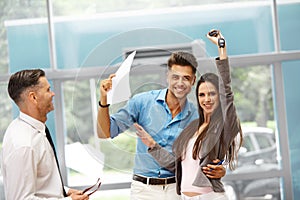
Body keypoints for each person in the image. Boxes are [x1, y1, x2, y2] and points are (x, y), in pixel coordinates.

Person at [97, 44, 226, 199]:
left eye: (186, 78)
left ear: (193, 81)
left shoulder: (197, 117)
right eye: (175, 77)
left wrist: (222, 169)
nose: (180, 83)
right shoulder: (142, 102)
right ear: (167, 77)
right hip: (143, 190)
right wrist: (104, 99)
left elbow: (210, 155)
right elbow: (105, 132)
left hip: (175, 189)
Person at [135, 30, 243, 200]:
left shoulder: (223, 126)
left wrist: (222, 48)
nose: (207, 99)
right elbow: (176, 166)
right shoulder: (193, 127)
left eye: (212, 94)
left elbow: (227, 91)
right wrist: (152, 145)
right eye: (202, 95)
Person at [1, 69, 89, 200]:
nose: (52, 94)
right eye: (48, 90)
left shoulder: (35, 130)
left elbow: (41, 183)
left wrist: (66, 191)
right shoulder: (23, 144)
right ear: (33, 97)